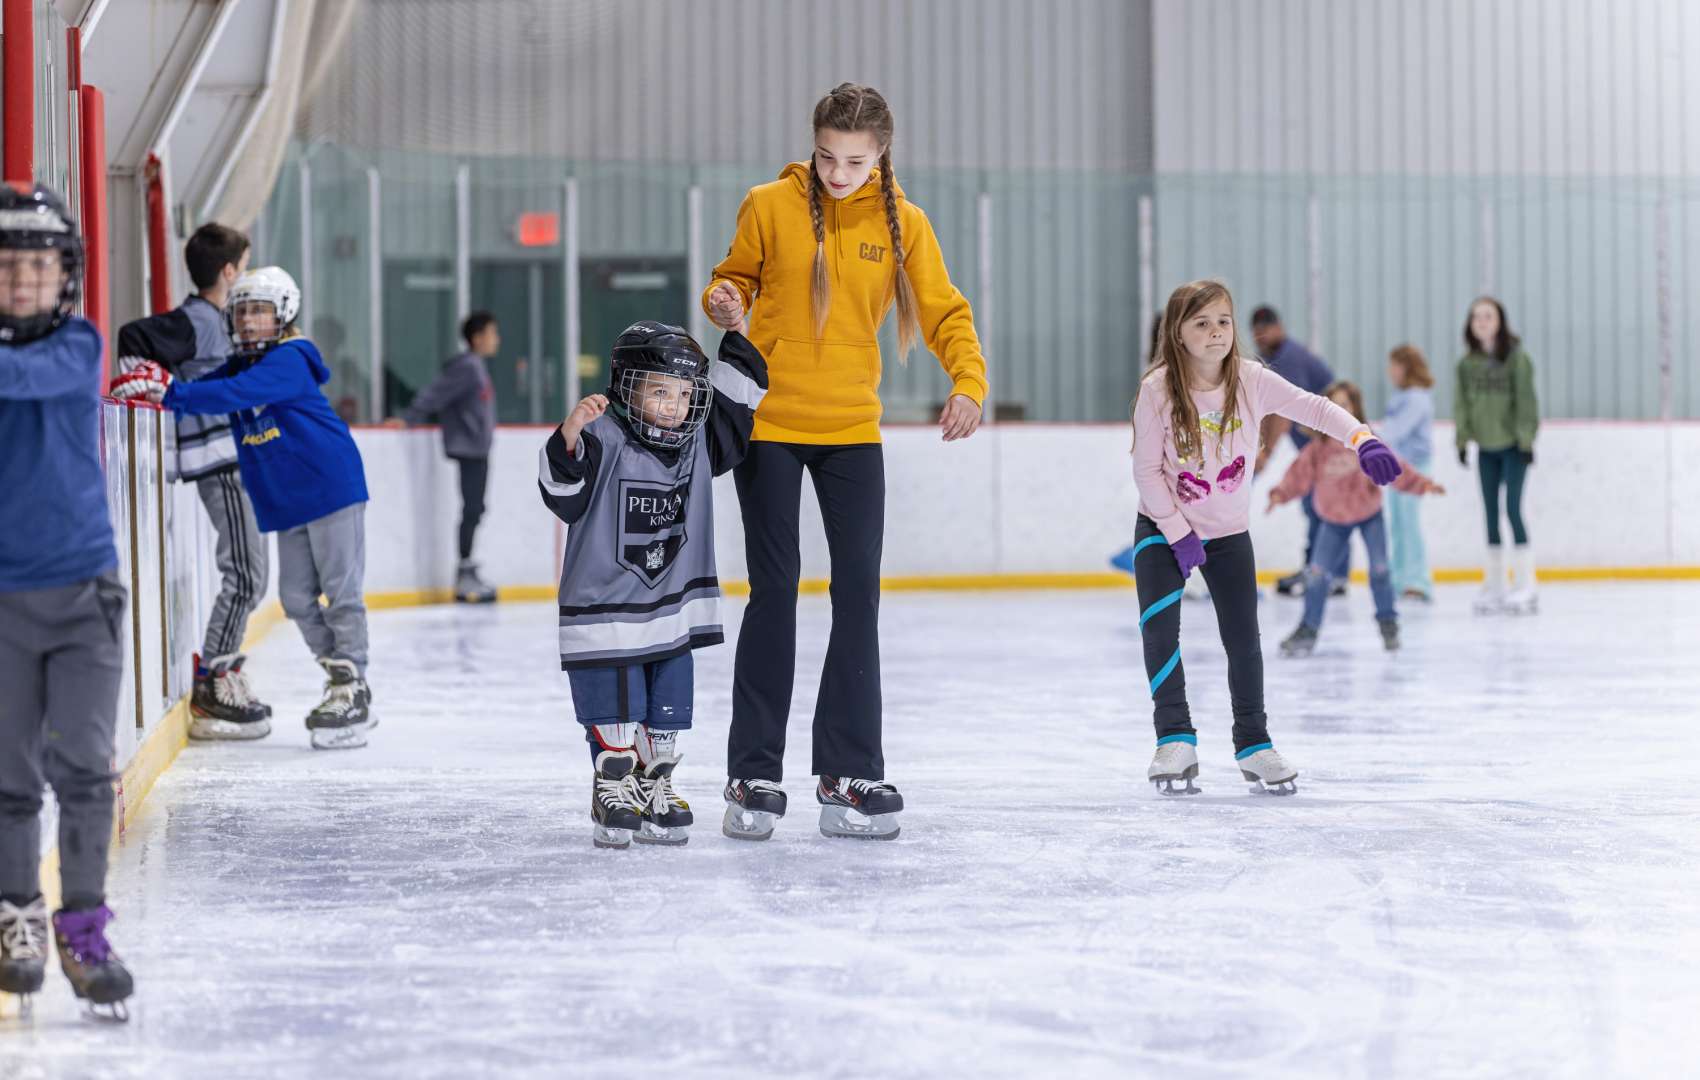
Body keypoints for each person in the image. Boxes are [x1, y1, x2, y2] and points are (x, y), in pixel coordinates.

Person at [703, 83, 989, 842]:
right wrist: (725, 301)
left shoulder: (905, 225)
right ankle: (754, 774)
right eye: (827, 155)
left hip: (853, 430)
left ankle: (848, 770)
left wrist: (969, 378)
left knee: (857, 595)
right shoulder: (769, 203)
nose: (837, 171)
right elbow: (730, 277)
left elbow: (943, 310)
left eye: (855, 160)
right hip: (769, 423)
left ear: (881, 154)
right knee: (774, 592)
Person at [1130, 280, 1405, 797]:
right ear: (1179, 334)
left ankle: (1253, 743)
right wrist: (1177, 533)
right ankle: (1174, 738)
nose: (1215, 333)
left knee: (1243, 641)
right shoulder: (1157, 390)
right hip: (1163, 530)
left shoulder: (1252, 380)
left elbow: (1316, 408)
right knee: (1161, 634)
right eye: (1201, 323)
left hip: (1229, 533)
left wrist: (1362, 437)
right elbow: (1146, 471)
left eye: (1223, 322)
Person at [110, 268, 376, 750]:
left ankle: (352, 686)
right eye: (243, 311)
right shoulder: (239, 365)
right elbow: (208, 388)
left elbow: (232, 395)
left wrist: (170, 391)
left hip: (331, 487)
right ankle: (337, 672)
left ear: (284, 315)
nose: (250, 322)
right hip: (289, 502)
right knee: (295, 597)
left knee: (341, 593)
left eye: (260, 311)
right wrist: (159, 386)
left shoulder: (292, 358)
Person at [538, 323, 767, 848]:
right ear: (626, 385)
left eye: (686, 394)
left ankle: (652, 783)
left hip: (671, 610)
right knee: (615, 714)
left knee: (665, 714)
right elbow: (564, 497)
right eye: (660, 390)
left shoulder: (699, 443)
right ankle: (611, 787)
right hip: (606, 610)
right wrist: (570, 433)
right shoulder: (600, 436)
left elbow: (739, 404)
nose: (675, 406)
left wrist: (735, 329)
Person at [0, 185, 135, 1019]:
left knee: (85, 770)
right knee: (9, 779)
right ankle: (18, 920)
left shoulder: (77, 346)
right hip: (3, 600)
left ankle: (83, 928)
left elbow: (19, 377)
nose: (22, 281)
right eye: (8, 266)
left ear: (65, 276)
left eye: (38, 265)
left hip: (84, 594)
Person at [117, 223, 272, 739]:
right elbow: (133, 338)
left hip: (233, 459)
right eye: (243, 267)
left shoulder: (219, 323)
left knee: (250, 570)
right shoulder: (199, 320)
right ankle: (214, 679)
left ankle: (224, 668)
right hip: (218, 461)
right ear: (227, 272)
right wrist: (148, 385)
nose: (245, 277)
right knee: (247, 573)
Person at [1268, 380, 1444, 656]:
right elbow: (1298, 475)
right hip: (1333, 520)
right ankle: (1308, 629)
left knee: (1380, 570)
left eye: (1346, 404)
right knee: (1316, 574)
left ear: (1355, 409)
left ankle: (1388, 623)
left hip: (1368, 515)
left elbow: (1394, 466)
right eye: (1335, 404)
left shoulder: (1366, 442)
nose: (1341, 409)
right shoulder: (1319, 448)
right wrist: (1280, 494)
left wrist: (1421, 484)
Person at [387, 311, 499, 604]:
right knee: (473, 508)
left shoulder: (476, 367)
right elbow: (436, 393)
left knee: (476, 508)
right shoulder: (467, 368)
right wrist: (410, 417)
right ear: (477, 338)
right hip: (470, 449)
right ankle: (464, 572)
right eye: (492, 333)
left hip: (477, 448)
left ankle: (468, 566)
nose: (495, 340)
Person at [1249, 305, 1347, 596]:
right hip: (1315, 448)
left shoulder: (1288, 358)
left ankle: (1328, 573)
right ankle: (1319, 569)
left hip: (1332, 445)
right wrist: (1259, 448)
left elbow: (1284, 414)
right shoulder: (1270, 359)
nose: (1260, 339)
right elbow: (1267, 410)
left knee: (1323, 506)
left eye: (1265, 332)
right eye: (1256, 335)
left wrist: (1265, 455)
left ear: (1278, 327)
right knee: (1314, 504)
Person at [1455, 296, 1540, 615]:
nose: (1482, 322)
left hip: (1513, 447)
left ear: (1500, 321)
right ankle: (1495, 583)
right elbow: (1461, 402)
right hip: (1485, 448)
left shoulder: (1517, 360)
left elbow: (1526, 401)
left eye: (1488, 316)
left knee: (1512, 509)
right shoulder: (1467, 364)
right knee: (1490, 513)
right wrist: (1462, 440)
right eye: (1477, 317)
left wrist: (1526, 440)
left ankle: (1525, 583)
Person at [1380, 345, 1437, 602]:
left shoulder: (1416, 398)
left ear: (1406, 367)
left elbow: (1397, 430)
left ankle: (1418, 580)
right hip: (1398, 468)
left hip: (1415, 467)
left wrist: (1365, 437)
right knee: (1399, 525)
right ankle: (1400, 578)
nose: (1390, 371)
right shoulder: (1402, 396)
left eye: (1394, 365)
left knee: (1409, 524)